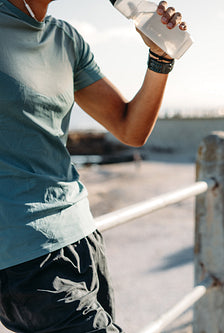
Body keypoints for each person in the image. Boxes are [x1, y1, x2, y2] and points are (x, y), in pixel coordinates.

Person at [0, 0, 186, 331]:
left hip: (82, 235)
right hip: (21, 257)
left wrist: (160, 58)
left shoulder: (66, 38)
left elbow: (131, 129)